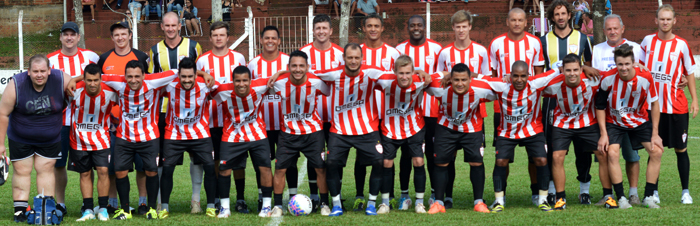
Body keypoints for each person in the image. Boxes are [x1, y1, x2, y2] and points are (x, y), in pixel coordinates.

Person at [294, 43, 397, 217]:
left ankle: (371, 203)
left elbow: (400, 74)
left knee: (379, 161)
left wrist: (420, 74)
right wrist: (282, 73)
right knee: (332, 163)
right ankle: (336, 204)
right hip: (340, 130)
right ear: (344, 58)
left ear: (362, 59)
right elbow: (307, 73)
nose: (353, 61)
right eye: (350, 57)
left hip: (367, 129)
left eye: (357, 57)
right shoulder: (334, 74)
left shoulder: (372, 72)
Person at [0, 55, 73, 223]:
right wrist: (0, 144)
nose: (39, 75)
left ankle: (45, 209)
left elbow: (79, 86)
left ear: (49, 71)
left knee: (45, 170)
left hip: (50, 137)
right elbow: (3, 114)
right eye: (35, 71)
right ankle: (20, 210)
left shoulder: (60, 78)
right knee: (22, 171)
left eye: (42, 71)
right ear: (28, 72)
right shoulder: (16, 84)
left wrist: (74, 86)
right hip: (20, 137)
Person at [483, 61, 564, 213]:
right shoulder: (501, 85)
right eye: (515, 76)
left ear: (529, 76)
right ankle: (499, 201)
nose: (519, 80)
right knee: (501, 161)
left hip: (532, 130)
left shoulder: (536, 83)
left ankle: (542, 199)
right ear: (510, 75)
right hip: (507, 132)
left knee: (541, 159)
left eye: (523, 76)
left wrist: (584, 67)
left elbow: (557, 69)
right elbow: (480, 79)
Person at [640, 4, 698, 205]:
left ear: (675, 21)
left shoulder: (681, 44)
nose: (665, 22)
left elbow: (690, 72)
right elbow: (638, 67)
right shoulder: (647, 42)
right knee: (654, 148)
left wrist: (695, 100)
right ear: (656, 20)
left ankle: (685, 191)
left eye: (668, 19)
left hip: (677, 107)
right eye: (661, 19)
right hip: (653, 107)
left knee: (681, 149)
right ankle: (653, 191)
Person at [433, 10, 491, 208]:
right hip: (448, 114)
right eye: (457, 26)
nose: (461, 30)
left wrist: (470, 75)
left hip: (474, 114)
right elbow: (439, 77)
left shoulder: (481, 51)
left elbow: (487, 80)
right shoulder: (445, 52)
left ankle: (478, 200)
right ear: (453, 28)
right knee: (447, 157)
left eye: (464, 26)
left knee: (476, 158)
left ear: (470, 27)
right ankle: (446, 197)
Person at [595, 43, 664, 209]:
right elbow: (600, 106)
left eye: (627, 64)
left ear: (634, 63)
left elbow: (655, 104)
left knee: (657, 151)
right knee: (612, 154)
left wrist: (655, 133)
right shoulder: (608, 79)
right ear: (615, 64)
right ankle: (621, 198)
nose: (623, 68)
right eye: (620, 64)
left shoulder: (645, 77)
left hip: (639, 120)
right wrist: (604, 134)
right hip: (615, 122)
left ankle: (648, 196)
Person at [148, 11, 203, 213]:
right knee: (163, 158)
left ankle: (195, 200)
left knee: (196, 156)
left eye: (174, 25)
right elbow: (152, 82)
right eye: (167, 26)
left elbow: (201, 75)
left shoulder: (194, 47)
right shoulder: (154, 51)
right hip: (164, 111)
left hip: (191, 110)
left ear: (180, 25)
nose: (170, 29)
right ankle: (162, 202)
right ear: (162, 27)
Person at [488, 7, 544, 207]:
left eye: (520, 20)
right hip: (503, 109)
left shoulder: (535, 42)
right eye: (513, 20)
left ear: (526, 22)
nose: (517, 23)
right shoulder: (496, 44)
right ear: (507, 21)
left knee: (534, 155)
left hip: (529, 108)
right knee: (503, 157)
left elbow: (539, 74)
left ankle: (536, 192)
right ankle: (501, 195)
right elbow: (491, 75)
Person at [539, 0, 593, 206]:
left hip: (579, 101)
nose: (560, 17)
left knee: (583, 148)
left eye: (564, 13)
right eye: (557, 14)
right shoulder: (543, 40)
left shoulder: (582, 38)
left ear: (570, 15)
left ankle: (584, 190)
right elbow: (539, 72)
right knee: (553, 148)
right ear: (552, 17)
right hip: (553, 102)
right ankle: (553, 191)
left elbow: (588, 67)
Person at [267, 51, 332, 217]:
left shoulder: (316, 82)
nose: (297, 69)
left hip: (313, 132)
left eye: (301, 66)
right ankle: (278, 206)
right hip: (288, 133)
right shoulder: (279, 83)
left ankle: (324, 204)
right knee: (280, 169)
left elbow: (328, 91)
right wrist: (280, 73)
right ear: (288, 67)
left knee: (320, 169)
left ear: (307, 67)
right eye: (294, 66)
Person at [424, 63, 494, 214]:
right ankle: (439, 202)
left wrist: (477, 75)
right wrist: (443, 75)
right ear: (451, 79)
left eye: (464, 80)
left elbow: (497, 83)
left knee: (476, 162)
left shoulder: (481, 88)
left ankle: (479, 202)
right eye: (456, 80)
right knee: (441, 163)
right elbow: (423, 79)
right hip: (446, 127)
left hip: (472, 127)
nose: (460, 84)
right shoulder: (439, 87)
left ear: (470, 80)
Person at [591, 13, 645, 206]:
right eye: (609, 28)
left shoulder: (636, 48)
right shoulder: (597, 49)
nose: (612, 31)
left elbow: (645, 76)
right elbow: (595, 79)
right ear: (604, 30)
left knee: (631, 155)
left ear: (623, 29)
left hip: (630, 114)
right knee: (605, 154)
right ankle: (609, 195)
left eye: (616, 28)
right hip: (607, 113)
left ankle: (633, 194)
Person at [47, 21, 100, 217]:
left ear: (78, 37)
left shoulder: (90, 56)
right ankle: (60, 203)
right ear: (60, 37)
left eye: (73, 34)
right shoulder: (50, 60)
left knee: (87, 166)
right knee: (58, 165)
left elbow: (99, 80)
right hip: (58, 121)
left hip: (85, 121)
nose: (69, 38)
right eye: (65, 34)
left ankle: (88, 204)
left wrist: (73, 80)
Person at [97, 20, 150, 214]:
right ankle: (112, 203)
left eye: (123, 34)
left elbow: (149, 85)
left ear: (129, 35)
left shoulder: (141, 57)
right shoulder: (104, 58)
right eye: (116, 35)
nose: (120, 38)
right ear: (112, 38)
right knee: (113, 168)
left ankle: (143, 202)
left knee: (142, 167)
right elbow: (98, 85)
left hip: (139, 123)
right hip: (112, 124)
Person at [195, 21, 248, 213]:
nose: (218, 38)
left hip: (236, 120)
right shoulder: (202, 61)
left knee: (238, 162)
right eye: (215, 35)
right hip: (211, 119)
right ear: (210, 38)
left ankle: (240, 199)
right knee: (217, 160)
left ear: (228, 37)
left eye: (222, 35)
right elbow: (193, 80)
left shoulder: (239, 58)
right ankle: (217, 198)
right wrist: (201, 73)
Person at [544, 54, 608, 210]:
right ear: (562, 71)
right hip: (562, 124)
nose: (572, 73)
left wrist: (637, 67)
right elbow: (533, 85)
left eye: (575, 70)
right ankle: (560, 198)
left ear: (581, 69)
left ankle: (608, 195)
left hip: (587, 123)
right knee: (556, 156)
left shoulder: (593, 80)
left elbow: (615, 74)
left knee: (602, 154)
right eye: (568, 70)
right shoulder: (554, 84)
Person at [210, 66, 275, 218]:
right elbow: (204, 91)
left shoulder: (261, 86)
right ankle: (225, 208)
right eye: (237, 81)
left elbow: (284, 77)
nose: (241, 84)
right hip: (232, 135)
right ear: (232, 81)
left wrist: (279, 73)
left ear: (250, 81)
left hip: (257, 134)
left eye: (245, 80)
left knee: (265, 168)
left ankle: (266, 206)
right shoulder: (222, 91)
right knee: (224, 170)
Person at [159, 57, 218, 218]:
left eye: (190, 76)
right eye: (183, 76)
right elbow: (151, 83)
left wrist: (204, 75)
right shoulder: (169, 86)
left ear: (195, 75)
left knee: (210, 167)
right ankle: (164, 207)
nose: (186, 80)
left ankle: (210, 206)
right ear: (178, 75)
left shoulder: (205, 86)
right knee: (167, 170)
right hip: (174, 134)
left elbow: (226, 90)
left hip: (200, 134)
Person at [373, 56, 432, 214]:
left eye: (408, 73)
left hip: (414, 127)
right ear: (394, 72)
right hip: (390, 128)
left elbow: (438, 77)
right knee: (386, 163)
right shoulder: (386, 81)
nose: (404, 76)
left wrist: (423, 73)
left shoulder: (420, 80)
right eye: (400, 73)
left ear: (413, 72)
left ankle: (419, 203)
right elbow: (367, 75)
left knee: (419, 161)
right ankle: (385, 203)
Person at [395, 15, 442, 210]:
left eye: (419, 25)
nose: (416, 28)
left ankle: (431, 195)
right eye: (412, 25)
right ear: (407, 27)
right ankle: (404, 196)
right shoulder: (399, 49)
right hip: (407, 112)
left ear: (425, 27)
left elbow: (439, 76)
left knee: (431, 155)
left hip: (431, 110)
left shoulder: (437, 49)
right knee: (407, 155)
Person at [299, 14, 344, 212]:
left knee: (335, 158)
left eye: (325, 28)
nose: (321, 32)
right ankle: (314, 196)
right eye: (318, 28)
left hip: (336, 116)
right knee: (314, 157)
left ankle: (336, 195)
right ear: (313, 30)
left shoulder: (341, 54)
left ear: (331, 31)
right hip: (311, 117)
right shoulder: (303, 53)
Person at [247, 25, 293, 212]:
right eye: (267, 38)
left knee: (288, 162)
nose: (270, 41)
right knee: (262, 163)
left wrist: (281, 73)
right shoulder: (253, 64)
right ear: (261, 40)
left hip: (285, 123)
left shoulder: (288, 61)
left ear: (279, 40)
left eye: (274, 38)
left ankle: (293, 195)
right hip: (261, 125)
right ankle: (262, 195)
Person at [359, 13, 400, 211]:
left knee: (386, 158)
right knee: (361, 159)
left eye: (377, 25)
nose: (373, 29)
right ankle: (359, 195)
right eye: (369, 26)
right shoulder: (356, 52)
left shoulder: (392, 53)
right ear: (364, 28)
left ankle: (389, 195)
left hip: (387, 115)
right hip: (362, 117)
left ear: (382, 28)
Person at [69, 64, 118, 222]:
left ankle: (103, 208)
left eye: (95, 80)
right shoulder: (74, 90)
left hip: (101, 139)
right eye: (88, 80)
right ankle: (88, 209)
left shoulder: (110, 93)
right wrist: (74, 80)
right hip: (78, 140)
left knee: (103, 171)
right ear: (83, 79)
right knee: (85, 173)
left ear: (101, 79)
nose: (92, 83)